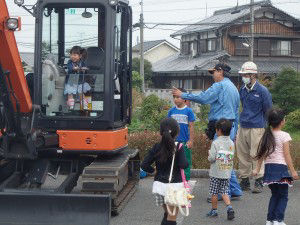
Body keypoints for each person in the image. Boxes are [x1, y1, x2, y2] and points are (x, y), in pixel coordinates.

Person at [172, 63, 242, 200]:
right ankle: (234, 190)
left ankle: (223, 193)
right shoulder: (234, 87)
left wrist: (183, 94)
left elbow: (204, 98)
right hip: (231, 126)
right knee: (226, 159)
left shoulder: (219, 85)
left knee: (219, 160)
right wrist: (236, 130)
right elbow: (237, 111)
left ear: (220, 71)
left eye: (213, 72)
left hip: (221, 127)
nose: (212, 75)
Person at [253, 108, 299, 225]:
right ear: (282, 121)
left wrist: (257, 169)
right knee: (283, 196)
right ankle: (279, 220)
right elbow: (287, 155)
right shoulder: (285, 135)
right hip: (280, 169)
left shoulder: (267, 135)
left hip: (269, 169)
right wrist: (293, 171)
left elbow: (261, 155)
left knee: (275, 195)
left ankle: (270, 220)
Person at [141, 118, 189, 225]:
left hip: (159, 187)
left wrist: (153, 171)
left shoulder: (156, 147)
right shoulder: (178, 146)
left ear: (161, 132)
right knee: (172, 218)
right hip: (174, 186)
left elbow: (144, 164)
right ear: (176, 132)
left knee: (167, 214)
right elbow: (184, 164)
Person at [236, 61, 272, 193]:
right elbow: (243, 106)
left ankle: (259, 180)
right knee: (242, 154)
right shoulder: (242, 90)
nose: (243, 76)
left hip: (257, 127)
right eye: (243, 74)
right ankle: (244, 180)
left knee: (256, 154)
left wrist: (269, 129)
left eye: (245, 74)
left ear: (253, 75)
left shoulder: (263, 91)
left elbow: (268, 110)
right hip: (243, 125)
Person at [207, 118, 235, 220]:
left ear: (218, 130)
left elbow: (212, 158)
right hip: (227, 172)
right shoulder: (232, 143)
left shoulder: (215, 143)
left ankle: (214, 210)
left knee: (214, 192)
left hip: (216, 173)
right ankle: (229, 207)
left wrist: (209, 154)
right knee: (224, 192)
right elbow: (231, 157)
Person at [168, 88, 195, 181]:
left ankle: (186, 181)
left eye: (178, 97)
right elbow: (168, 127)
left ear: (184, 98)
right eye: (174, 97)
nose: (175, 99)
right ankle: (174, 179)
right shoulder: (171, 111)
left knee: (186, 162)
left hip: (184, 142)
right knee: (172, 161)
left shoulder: (189, 111)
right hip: (173, 142)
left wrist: (191, 141)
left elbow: (191, 127)